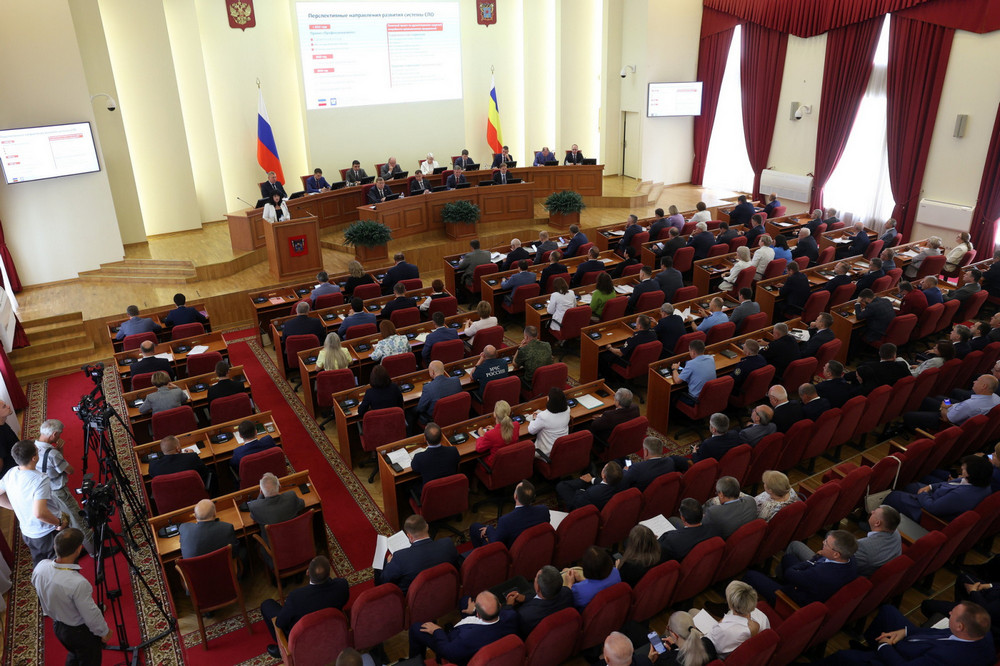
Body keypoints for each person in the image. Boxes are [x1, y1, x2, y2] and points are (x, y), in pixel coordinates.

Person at [822, 601, 995, 666]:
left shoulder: (947, 657)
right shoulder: (980, 631)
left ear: (960, 627)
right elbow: (934, 632)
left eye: (953, 614)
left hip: (905, 658)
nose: (949, 612)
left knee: (843, 657)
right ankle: (872, 648)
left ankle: (876, 651)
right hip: (915, 643)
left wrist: (884, 646)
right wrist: (904, 632)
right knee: (888, 611)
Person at [31, 528, 109, 665]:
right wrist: (104, 632)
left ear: (55, 547)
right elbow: (90, 614)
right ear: (79, 549)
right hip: (79, 632)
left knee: (75, 654)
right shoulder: (78, 583)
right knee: (90, 660)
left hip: (58, 627)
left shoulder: (41, 567)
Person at [260, 555, 349, 659]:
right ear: (329, 573)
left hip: (302, 637)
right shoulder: (342, 585)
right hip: (330, 627)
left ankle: (282, 648)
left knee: (266, 605)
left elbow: (280, 623)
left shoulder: (296, 598)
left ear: (307, 573)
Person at [744, 529, 858, 606]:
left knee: (750, 575)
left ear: (836, 554)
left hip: (793, 599)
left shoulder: (820, 574)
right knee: (788, 558)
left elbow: (790, 573)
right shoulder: (850, 559)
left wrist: (814, 559)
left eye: (826, 544)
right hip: (809, 584)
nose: (823, 542)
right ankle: (778, 581)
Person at [0, 440, 67, 563]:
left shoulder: (11, 472)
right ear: (34, 458)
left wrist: (14, 506)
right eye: (37, 450)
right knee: (60, 564)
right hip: (47, 532)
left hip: (28, 532)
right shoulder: (40, 479)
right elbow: (39, 513)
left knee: (40, 564)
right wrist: (59, 523)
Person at [408, 590, 517, 665]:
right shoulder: (510, 615)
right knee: (466, 600)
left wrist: (437, 631)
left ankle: (415, 661)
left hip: (452, 643)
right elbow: (508, 610)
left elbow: (447, 651)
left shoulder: (466, 638)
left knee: (416, 629)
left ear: (478, 614)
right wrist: (472, 612)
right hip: (484, 631)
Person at [35, 420, 94, 553]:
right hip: (59, 491)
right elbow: (70, 470)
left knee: (64, 519)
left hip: (45, 491)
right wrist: (59, 453)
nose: (60, 436)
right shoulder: (53, 454)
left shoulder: (33, 447)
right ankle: (94, 550)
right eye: (59, 434)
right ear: (54, 434)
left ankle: (75, 546)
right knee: (77, 519)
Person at [885, 455, 993, 522]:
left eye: (964, 469)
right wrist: (930, 487)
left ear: (970, 474)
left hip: (928, 513)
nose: (961, 468)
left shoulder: (960, 495)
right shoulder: (981, 482)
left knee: (894, 496)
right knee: (911, 486)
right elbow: (949, 483)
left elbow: (933, 508)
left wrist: (923, 494)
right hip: (937, 496)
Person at [380, 514, 460, 591]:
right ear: (427, 527)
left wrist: (389, 564)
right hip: (446, 589)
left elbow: (385, 581)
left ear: (409, 536)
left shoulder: (399, 557)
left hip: (415, 596)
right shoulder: (447, 544)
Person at [903, 374, 1000, 431]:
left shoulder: (970, 405)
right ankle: (923, 420)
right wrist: (950, 405)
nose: (974, 381)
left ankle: (920, 428)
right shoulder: (996, 398)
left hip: (945, 418)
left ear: (983, 386)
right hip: (957, 407)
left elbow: (947, 419)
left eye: (977, 380)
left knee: (908, 416)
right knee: (937, 399)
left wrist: (944, 407)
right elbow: (963, 405)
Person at [470, 480, 549, 549]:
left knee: (474, 527)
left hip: (511, 552)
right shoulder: (544, 510)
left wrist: (489, 528)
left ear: (515, 496)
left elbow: (495, 542)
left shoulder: (505, 521)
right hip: (533, 547)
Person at [703, 581, 770, 659]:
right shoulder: (763, 617)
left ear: (730, 605)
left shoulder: (724, 629)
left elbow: (710, 645)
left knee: (693, 611)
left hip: (714, 653)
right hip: (745, 656)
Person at [502, 565, 574, 637]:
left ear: (538, 588)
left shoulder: (524, 615)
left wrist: (508, 606)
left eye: (536, 577)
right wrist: (525, 598)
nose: (534, 578)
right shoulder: (567, 593)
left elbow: (508, 626)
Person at [600, 314, 660, 379]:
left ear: (639, 326)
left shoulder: (634, 339)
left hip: (628, 363)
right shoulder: (653, 334)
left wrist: (610, 348)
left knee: (604, 354)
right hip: (645, 362)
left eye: (636, 323)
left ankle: (609, 379)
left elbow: (620, 353)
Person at [625, 436, 689, 491]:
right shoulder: (670, 462)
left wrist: (625, 470)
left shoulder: (637, 468)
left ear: (646, 452)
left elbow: (624, 483)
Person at [854, 505, 903, 576]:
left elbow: (847, 565)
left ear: (877, 523)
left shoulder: (863, 546)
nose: (871, 511)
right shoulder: (896, 533)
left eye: (874, 512)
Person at [410, 423, 459, 493]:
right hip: (451, 490)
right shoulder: (453, 451)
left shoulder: (419, 458)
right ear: (442, 437)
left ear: (425, 439)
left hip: (431, 494)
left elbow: (415, 469)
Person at [473, 400, 519, 468]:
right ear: (509, 413)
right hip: (510, 462)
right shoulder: (516, 425)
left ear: (494, 414)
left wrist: (482, 435)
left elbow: (479, 449)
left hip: (495, 466)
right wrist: (494, 430)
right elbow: (502, 433)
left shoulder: (490, 435)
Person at [413, 361, 461, 425]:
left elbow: (420, 409)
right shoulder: (456, 381)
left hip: (435, 422)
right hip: (455, 416)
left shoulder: (428, 388)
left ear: (432, 372)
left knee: (411, 411)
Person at [528, 387, 571, 458]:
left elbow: (531, 430)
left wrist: (534, 419)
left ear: (549, 400)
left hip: (546, 453)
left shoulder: (543, 417)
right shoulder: (568, 410)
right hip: (562, 449)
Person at [670, 340, 716, 404]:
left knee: (674, 395)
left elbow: (677, 381)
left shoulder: (691, 363)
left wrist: (674, 369)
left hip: (695, 400)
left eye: (689, 351)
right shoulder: (711, 358)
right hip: (709, 396)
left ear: (693, 352)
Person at [513, 326, 552, 390]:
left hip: (531, 381)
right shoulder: (547, 345)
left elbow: (515, 364)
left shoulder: (524, 350)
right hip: (547, 378)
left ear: (526, 337)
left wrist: (519, 348)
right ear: (537, 335)